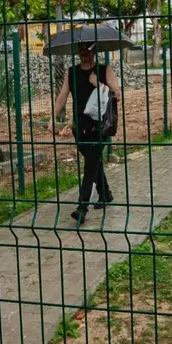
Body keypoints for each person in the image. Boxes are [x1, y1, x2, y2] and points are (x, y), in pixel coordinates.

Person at [49, 41, 121, 223]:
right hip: (79, 129)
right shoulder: (71, 72)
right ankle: (105, 194)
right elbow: (62, 96)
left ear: (94, 52)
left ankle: (82, 207)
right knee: (93, 162)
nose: (85, 55)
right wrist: (52, 117)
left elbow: (118, 95)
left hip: (99, 129)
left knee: (89, 167)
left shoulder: (105, 70)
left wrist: (98, 84)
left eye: (88, 52)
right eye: (81, 52)